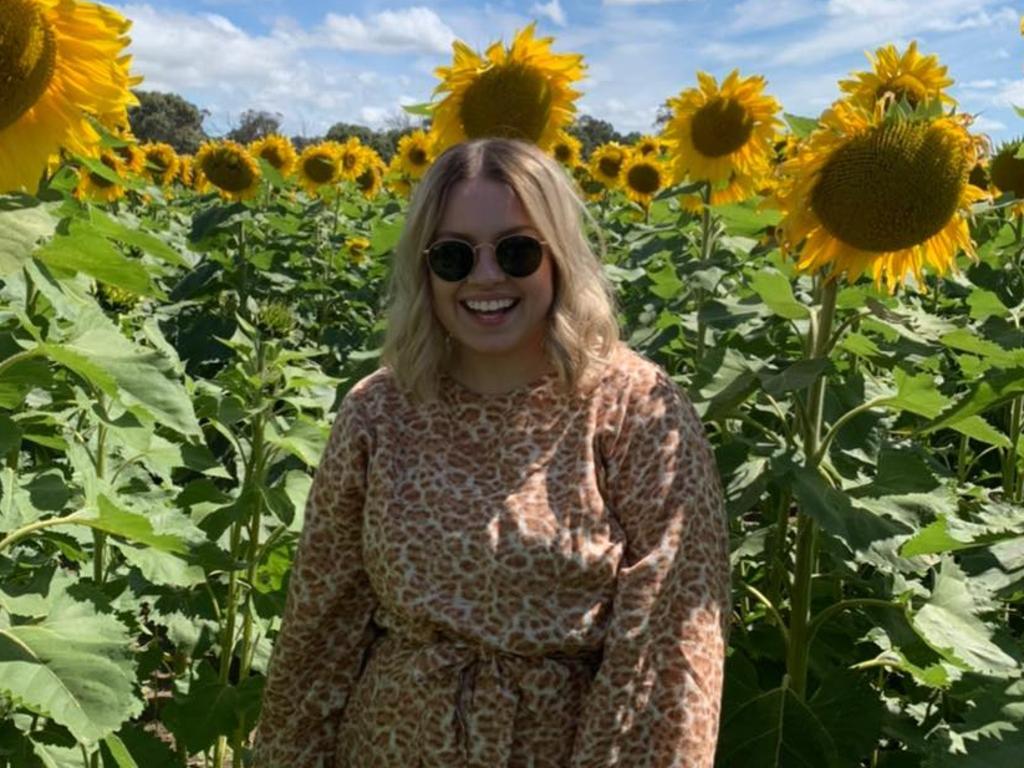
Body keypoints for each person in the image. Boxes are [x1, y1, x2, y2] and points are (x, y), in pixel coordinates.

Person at [250, 138, 731, 768]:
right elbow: (323, 620)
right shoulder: (380, 409)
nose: (485, 276)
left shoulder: (636, 409)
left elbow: (669, 645)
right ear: (425, 270)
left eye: (517, 250)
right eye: (453, 256)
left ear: (558, 257)